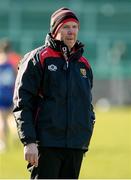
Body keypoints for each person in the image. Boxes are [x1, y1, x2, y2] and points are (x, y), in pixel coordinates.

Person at [13, 7, 95, 179]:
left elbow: (87, 106)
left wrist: (84, 137)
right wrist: (29, 141)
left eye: (74, 27)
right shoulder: (37, 58)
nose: (71, 31)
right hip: (46, 144)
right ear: (55, 30)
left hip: (74, 146)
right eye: (66, 27)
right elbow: (22, 103)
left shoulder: (84, 65)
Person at [0, 40, 16, 152]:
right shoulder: (12, 63)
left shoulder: (0, 62)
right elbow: (16, 79)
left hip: (1, 93)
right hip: (10, 94)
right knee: (12, 117)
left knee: (3, 119)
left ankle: (4, 143)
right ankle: (15, 135)